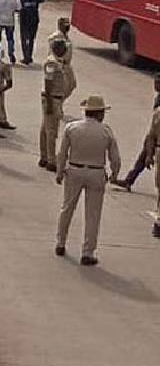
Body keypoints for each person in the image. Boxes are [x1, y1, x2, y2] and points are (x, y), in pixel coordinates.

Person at [55, 95, 121, 266]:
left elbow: (62, 153)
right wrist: (114, 174)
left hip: (74, 169)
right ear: (100, 114)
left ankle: (60, 243)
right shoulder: (106, 131)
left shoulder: (71, 128)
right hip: (96, 172)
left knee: (67, 208)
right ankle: (87, 252)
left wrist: (60, 171)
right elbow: (115, 158)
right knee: (93, 215)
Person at [40, 38, 71, 170]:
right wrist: (50, 103)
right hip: (52, 98)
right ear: (56, 48)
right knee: (51, 131)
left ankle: (44, 156)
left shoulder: (57, 61)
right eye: (63, 48)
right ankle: (51, 161)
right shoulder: (52, 63)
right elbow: (48, 83)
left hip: (54, 97)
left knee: (45, 128)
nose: (65, 50)